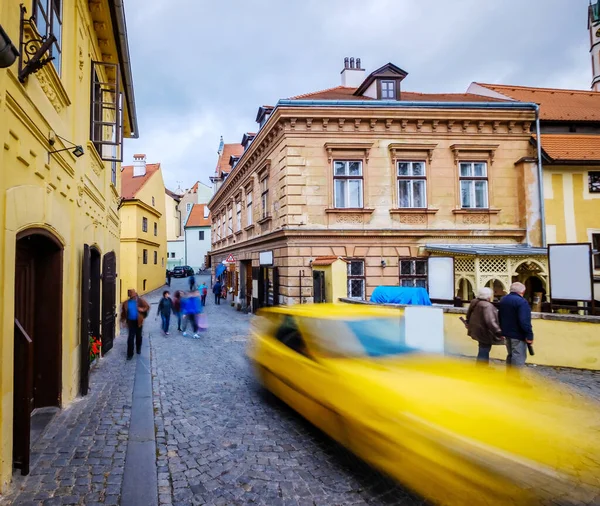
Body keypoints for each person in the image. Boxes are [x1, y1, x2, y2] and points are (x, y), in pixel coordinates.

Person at [498, 282, 534, 368]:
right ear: (523, 291)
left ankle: (509, 378)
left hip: (506, 333)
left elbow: (499, 316)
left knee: (510, 355)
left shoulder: (503, 300)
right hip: (518, 334)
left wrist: (501, 331)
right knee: (518, 357)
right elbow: (524, 321)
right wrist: (529, 335)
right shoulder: (522, 302)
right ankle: (516, 379)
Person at [465, 287, 504, 364]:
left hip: (477, 329)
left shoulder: (474, 302)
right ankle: (482, 368)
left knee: (482, 348)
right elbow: (491, 321)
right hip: (484, 331)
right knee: (484, 349)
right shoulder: (487, 306)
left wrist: (468, 323)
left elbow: (468, 315)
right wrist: (499, 332)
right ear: (489, 296)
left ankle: (482, 367)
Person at [120, 289, 150, 360]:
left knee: (139, 336)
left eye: (134, 296)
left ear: (135, 295)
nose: (133, 297)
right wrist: (123, 321)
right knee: (130, 338)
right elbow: (123, 313)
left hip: (139, 321)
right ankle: (130, 354)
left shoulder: (140, 301)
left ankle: (138, 348)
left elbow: (147, 307)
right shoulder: (126, 303)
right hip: (130, 322)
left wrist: (142, 310)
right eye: (131, 296)